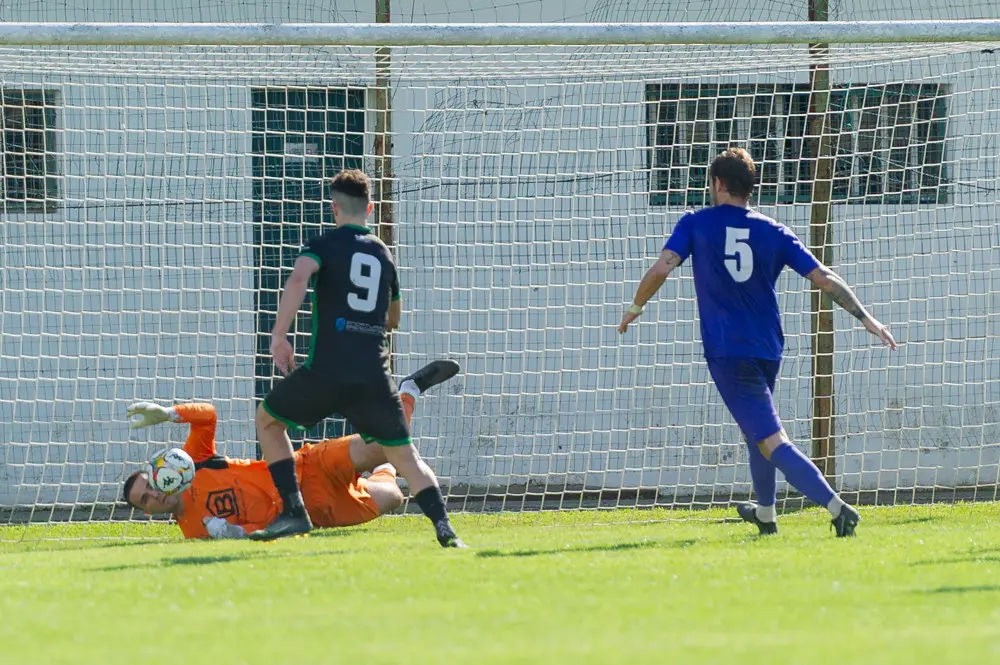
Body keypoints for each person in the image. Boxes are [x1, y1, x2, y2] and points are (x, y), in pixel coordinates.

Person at [618, 148, 897, 537]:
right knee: (756, 433)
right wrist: (866, 318)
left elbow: (662, 267)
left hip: (729, 352)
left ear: (717, 184)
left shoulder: (696, 223)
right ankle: (766, 515)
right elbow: (824, 277)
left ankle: (837, 508)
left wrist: (635, 306)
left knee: (770, 437)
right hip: (768, 348)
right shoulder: (773, 230)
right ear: (750, 188)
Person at [254, 169, 464, 547]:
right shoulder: (383, 253)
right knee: (405, 457)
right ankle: (445, 530)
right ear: (369, 208)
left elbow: (300, 277)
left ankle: (293, 511)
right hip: (372, 374)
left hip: (328, 370)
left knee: (268, 421)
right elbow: (394, 319)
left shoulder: (323, 244)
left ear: (334, 209)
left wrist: (280, 335)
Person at [122, 360, 459, 540]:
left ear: (156, 474)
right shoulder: (192, 532)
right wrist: (238, 534)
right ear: (147, 513)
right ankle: (385, 469)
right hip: (315, 511)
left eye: (149, 487)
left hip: (306, 467)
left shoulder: (191, 463)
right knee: (393, 498)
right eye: (145, 501)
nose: (154, 496)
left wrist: (170, 414)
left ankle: (409, 390)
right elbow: (260, 535)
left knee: (387, 442)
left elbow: (208, 415)